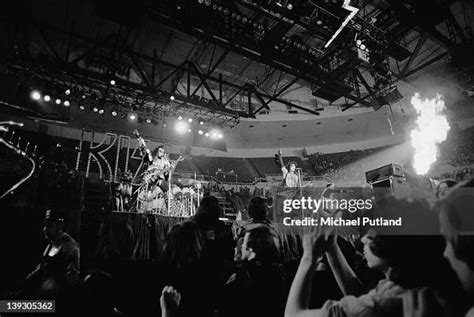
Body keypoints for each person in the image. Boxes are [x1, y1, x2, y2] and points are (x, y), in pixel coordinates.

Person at [285, 196, 466, 317]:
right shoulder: (419, 276)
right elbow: (361, 296)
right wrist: (332, 248)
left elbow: (293, 314)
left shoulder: (390, 301)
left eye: (371, 235)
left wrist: (309, 256)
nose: (363, 239)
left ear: (388, 246)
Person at [23, 209, 80, 295]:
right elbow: (41, 268)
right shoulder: (51, 245)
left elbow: (72, 278)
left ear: (60, 226)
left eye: (49, 225)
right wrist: (25, 282)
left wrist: (52, 284)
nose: (44, 229)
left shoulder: (68, 247)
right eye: (45, 225)